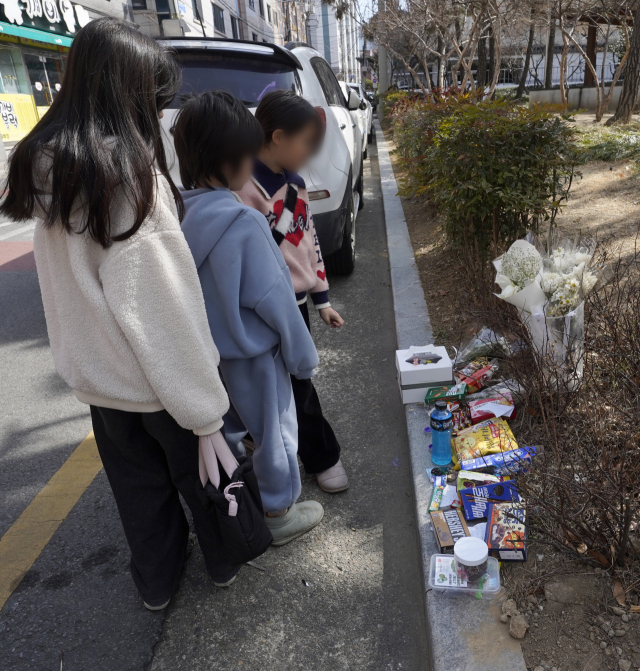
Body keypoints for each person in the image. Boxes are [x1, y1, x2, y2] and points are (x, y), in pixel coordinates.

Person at [0, 18, 239, 610]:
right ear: (127, 93)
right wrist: (207, 415)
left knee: (138, 492)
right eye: (154, 101)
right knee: (202, 482)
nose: (158, 115)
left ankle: (156, 585)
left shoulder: (51, 166)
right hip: (160, 384)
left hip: (98, 382)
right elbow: (164, 310)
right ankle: (224, 561)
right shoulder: (128, 176)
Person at [172, 90, 325, 546]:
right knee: (275, 436)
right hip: (254, 358)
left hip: (206, 358)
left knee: (231, 436)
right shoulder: (244, 223)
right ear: (235, 160)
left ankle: (241, 503)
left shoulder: (176, 215)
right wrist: (303, 357)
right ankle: (278, 514)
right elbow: (276, 301)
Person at [237, 90, 349, 493]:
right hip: (253, 310)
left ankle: (321, 457)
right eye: (307, 143)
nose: (310, 154)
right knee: (263, 387)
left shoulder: (296, 186)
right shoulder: (242, 186)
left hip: (295, 306)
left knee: (299, 382)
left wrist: (322, 298)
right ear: (279, 137)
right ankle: (280, 455)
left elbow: (309, 243)